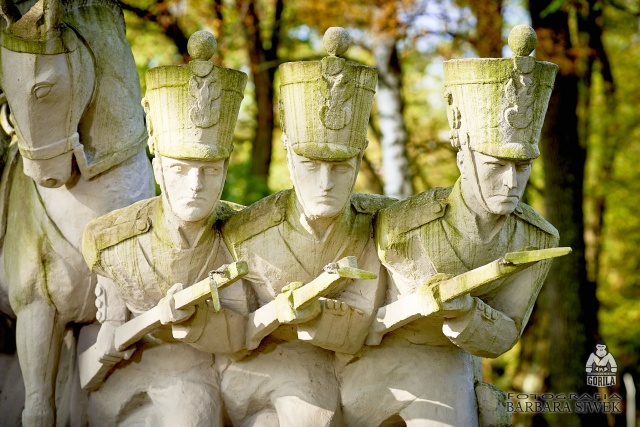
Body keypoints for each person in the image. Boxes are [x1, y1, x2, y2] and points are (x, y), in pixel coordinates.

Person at [339, 25, 560, 426]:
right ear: (464, 157)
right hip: (372, 368)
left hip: (450, 367)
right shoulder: (405, 227)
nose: (511, 182)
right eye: (496, 165)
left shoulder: (536, 239)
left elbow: (506, 332)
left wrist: (466, 313)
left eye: (522, 166)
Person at [219, 27, 394, 426]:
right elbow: (234, 333)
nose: (326, 183)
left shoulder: (377, 225)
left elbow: (357, 326)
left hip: (350, 365)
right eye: (311, 165)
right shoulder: (244, 233)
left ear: (360, 160)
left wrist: (314, 313)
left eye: (341, 167)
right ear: (288, 154)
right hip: (265, 368)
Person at [80, 31, 248, 426]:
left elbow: (243, 331)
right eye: (180, 170)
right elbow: (107, 335)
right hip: (131, 375)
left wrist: (196, 322)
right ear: (157, 169)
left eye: (209, 171)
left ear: (224, 171)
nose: (195, 185)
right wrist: (114, 332)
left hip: (208, 371)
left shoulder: (243, 234)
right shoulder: (114, 240)